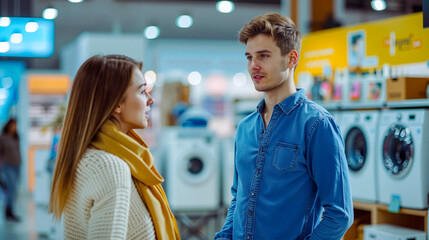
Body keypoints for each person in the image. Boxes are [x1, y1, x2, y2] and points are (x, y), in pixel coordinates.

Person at [215, 13, 353, 240]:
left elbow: (339, 214)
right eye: (249, 57)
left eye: (263, 56)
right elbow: (239, 197)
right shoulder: (245, 128)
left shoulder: (317, 125)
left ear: (291, 59)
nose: (253, 66)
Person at [49, 55, 180, 239]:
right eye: (143, 92)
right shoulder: (110, 167)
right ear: (117, 103)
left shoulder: (88, 156)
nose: (150, 100)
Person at [0, 118, 21, 222]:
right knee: (11, 188)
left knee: (13, 189)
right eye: (13, 125)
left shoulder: (16, 137)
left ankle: (9, 211)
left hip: (17, 166)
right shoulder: (2, 138)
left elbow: (18, 150)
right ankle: (9, 211)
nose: (14, 127)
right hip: (7, 166)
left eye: (15, 125)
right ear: (8, 125)